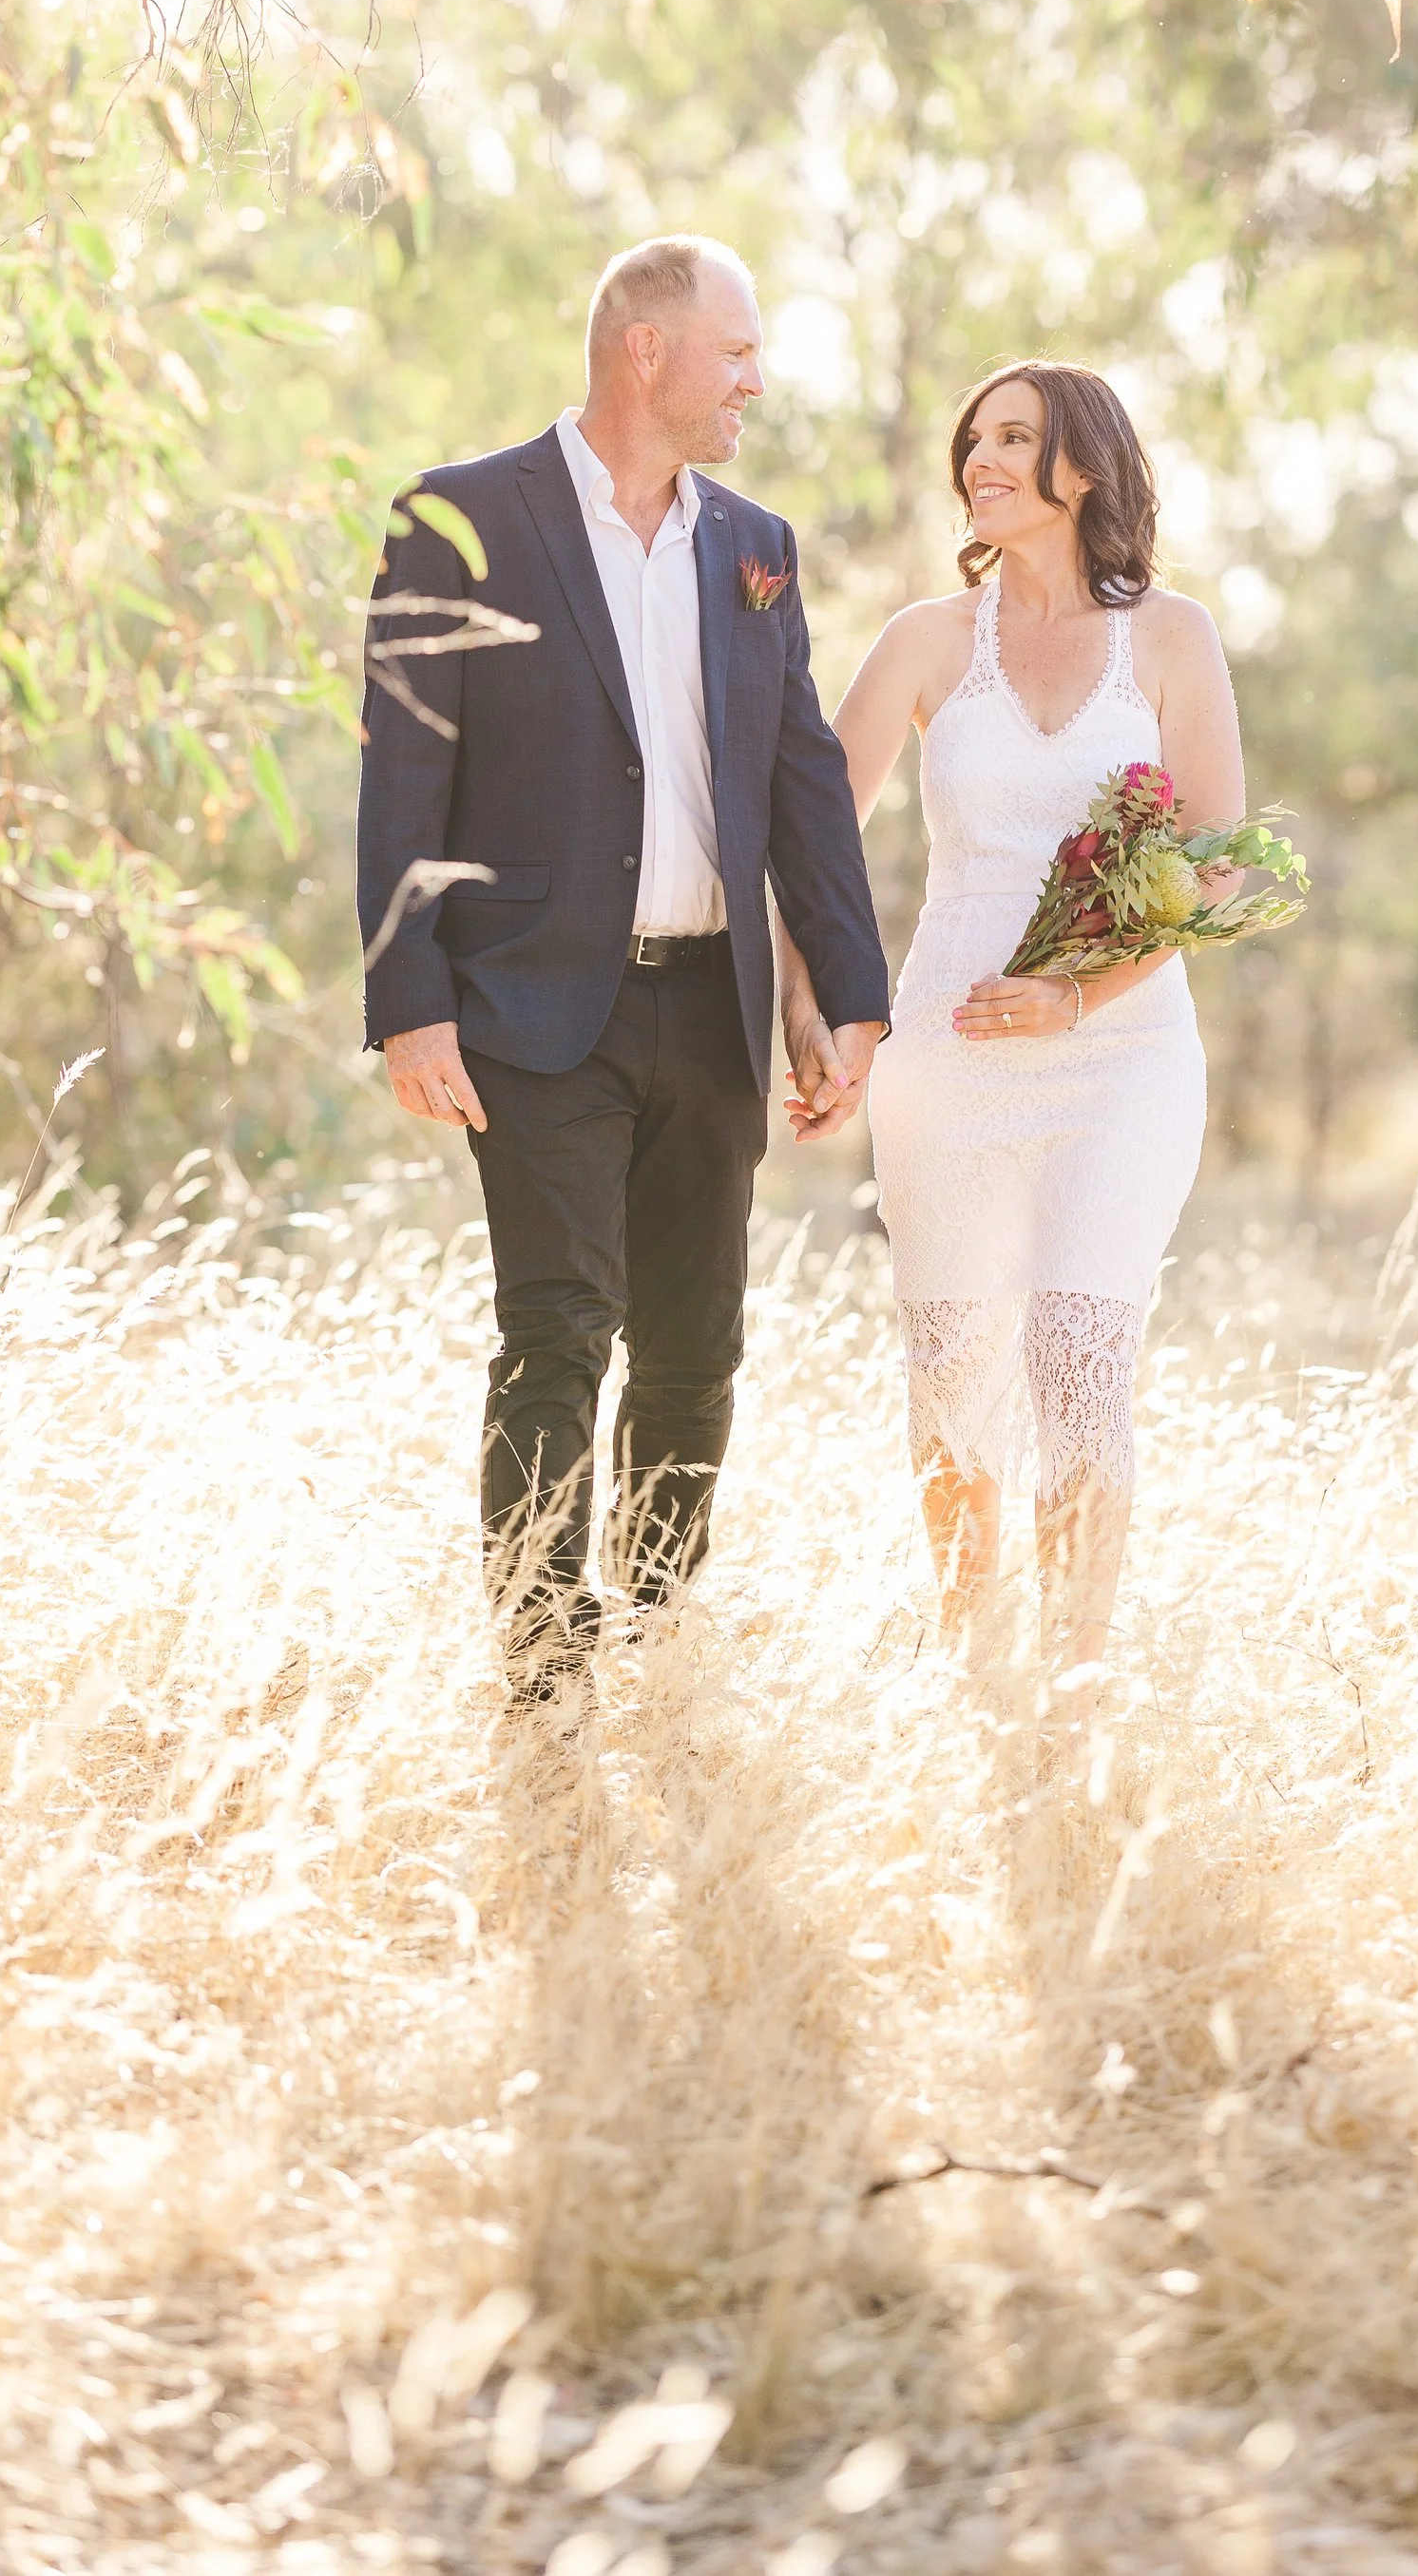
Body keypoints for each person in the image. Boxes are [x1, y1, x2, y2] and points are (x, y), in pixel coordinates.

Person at [357, 236, 890, 1714]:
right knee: (555, 1327)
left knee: (694, 1354)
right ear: (645, 351)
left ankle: (654, 1634)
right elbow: (403, 772)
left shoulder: (755, 544)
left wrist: (840, 991)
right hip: (532, 1005)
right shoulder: (458, 519)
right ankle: (541, 1668)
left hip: (708, 1009)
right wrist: (409, 997)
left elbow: (802, 783)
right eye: (738, 351)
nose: (756, 381)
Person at [778, 362, 1244, 1714]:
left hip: (1127, 1052)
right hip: (950, 1052)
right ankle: (977, 1685)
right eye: (974, 438)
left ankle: (1079, 1692)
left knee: (1078, 1352)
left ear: (1082, 470)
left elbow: (1220, 866)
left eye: (1016, 438)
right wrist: (824, 1021)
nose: (981, 457)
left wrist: (1082, 992)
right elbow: (812, 842)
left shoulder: (1172, 637)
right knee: (956, 1367)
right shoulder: (928, 641)